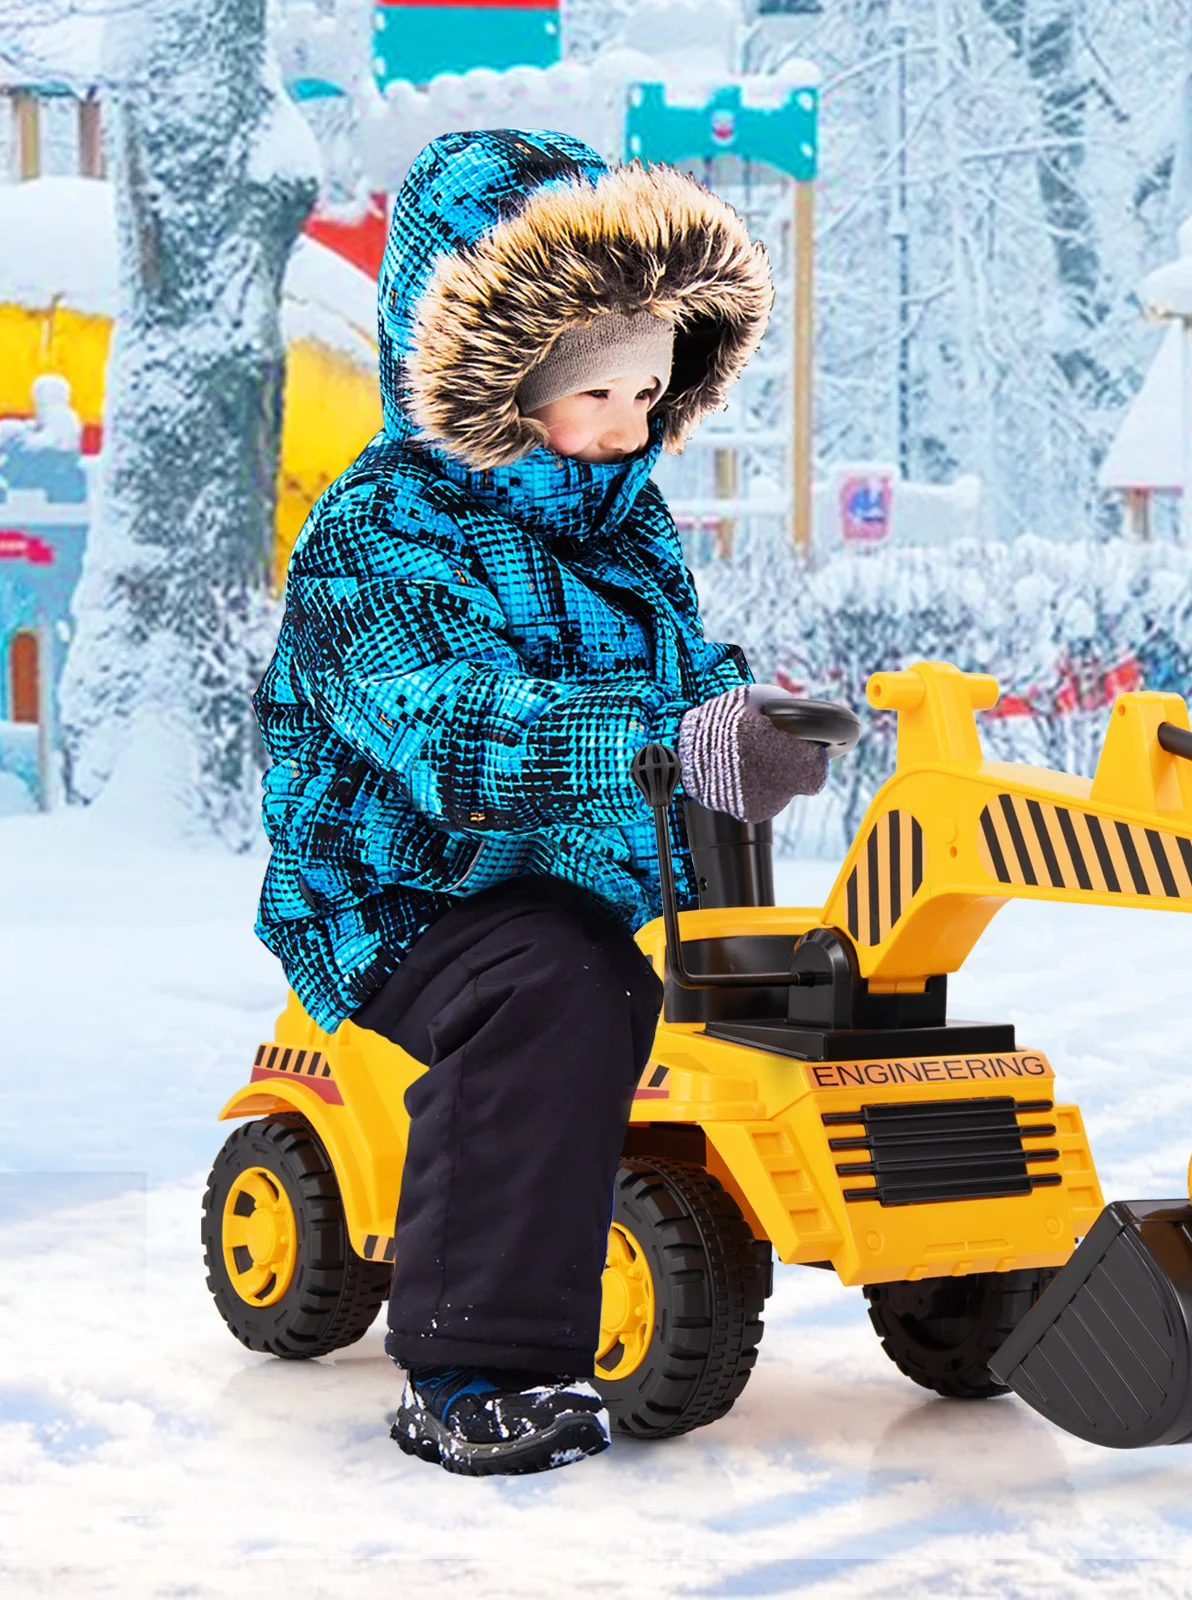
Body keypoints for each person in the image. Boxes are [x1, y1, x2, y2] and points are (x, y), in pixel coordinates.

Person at [252, 129, 828, 1477]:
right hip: (398, 896)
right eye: (598, 390)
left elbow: (682, 674)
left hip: (583, 877)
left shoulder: (625, 524)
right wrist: (661, 746)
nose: (632, 424)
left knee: (793, 987)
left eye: (649, 387)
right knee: (564, 989)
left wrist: (749, 723)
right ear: (493, 373)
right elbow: (451, 732)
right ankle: (475, 1367)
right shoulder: (379, 529)